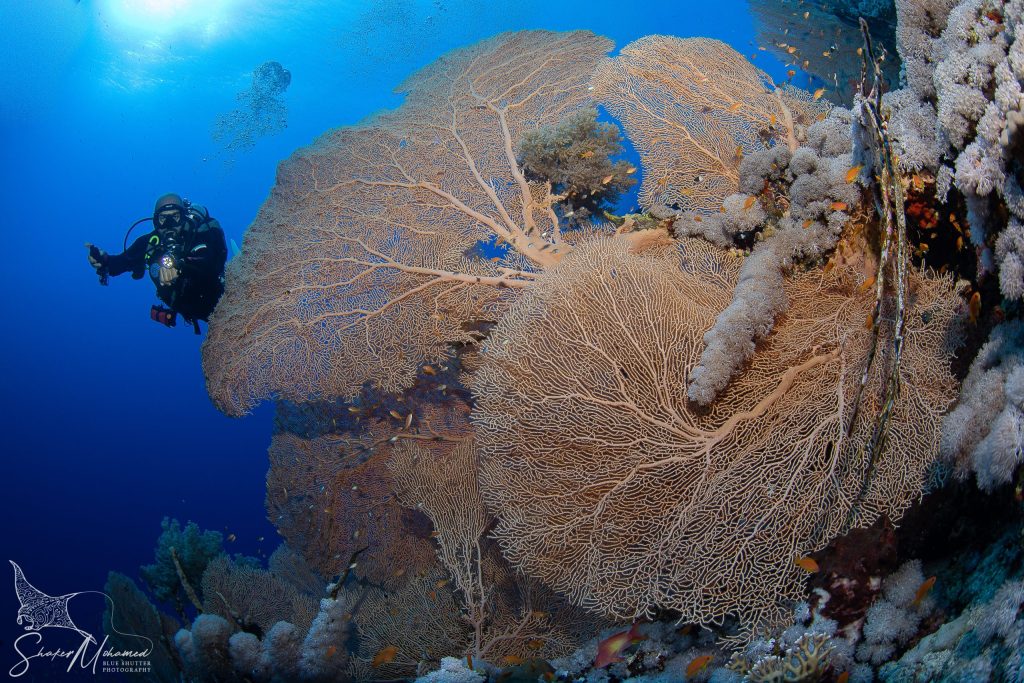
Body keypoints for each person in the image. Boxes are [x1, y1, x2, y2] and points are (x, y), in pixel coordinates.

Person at [86, 193, 228, 334]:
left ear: (183, 218)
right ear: (155, 221)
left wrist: (179, 268)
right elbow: (119, 264)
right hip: (189, 309)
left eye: (175, 217)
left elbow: (209, 266)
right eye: (163, 218)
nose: (169, 225)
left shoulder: (200, 235)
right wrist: (103, 260)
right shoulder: (149, 244)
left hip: (220, 302)